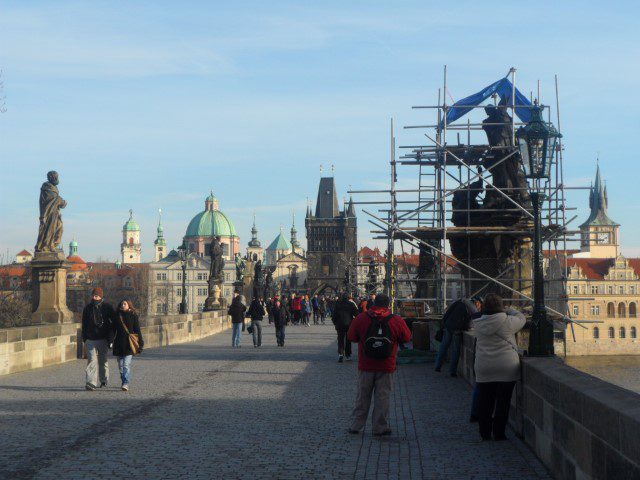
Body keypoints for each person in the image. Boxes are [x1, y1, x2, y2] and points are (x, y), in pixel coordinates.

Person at [347, 294, 412, 436]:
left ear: (373, 303)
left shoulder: (362, 318)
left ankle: (356, 425)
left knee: (362, 396)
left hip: (366, 364)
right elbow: (407, 337)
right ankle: (380, 427)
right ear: (388, 305)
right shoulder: (396, 320)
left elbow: (351, 336)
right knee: (383, 397)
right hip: (386, 365)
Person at [472, 293, 526, 441]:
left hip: (484, 367)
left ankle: (485, 433)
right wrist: (509, 310)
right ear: (500, 306)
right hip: (506, 366)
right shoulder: (508, 321)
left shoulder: (478, 323)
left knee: (485, 402)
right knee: (503, 402)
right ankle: (499, 433)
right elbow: (522, 318)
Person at [435, 296, 482, 377]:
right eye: (480, 305)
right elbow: (471, 322)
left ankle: (438, 366)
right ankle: (452, 371)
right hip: (458, 329)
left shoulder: (460, 301)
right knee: (456, 350)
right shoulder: (473, 308)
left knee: (444, 346)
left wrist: (444, 324)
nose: (479, 307)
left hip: (448, 326)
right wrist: (467, 328)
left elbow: (448, 312)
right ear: (478, 302)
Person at [81, 287, 115, 390]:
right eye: (93, 295)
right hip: (90, 339)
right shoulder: (88, 308)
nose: (95, 298)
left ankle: (104, 380)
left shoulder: (107, 307)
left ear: (101, 296)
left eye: (97, 296)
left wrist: (111, 339)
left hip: (103, 339)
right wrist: (85, 338)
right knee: (92, 360)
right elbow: (84, 323)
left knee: (103, 361)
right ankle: (91, 382)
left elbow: (113, 323)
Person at [112, 298, 143, 391]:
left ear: (129, 305)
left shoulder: (133, 315)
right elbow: (113, 330)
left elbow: (137, 330)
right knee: (120, 365)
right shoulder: (117, 316)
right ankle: (123, 380)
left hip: (129, 344)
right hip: (119, 343)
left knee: (126, 365)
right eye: (121, 304)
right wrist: (110, 340)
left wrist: (140, 343)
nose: (123, 305)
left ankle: (126, 382)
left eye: (124, 304)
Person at [332, 294, 359, 362]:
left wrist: (335, 323)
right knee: (348, 340)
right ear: (348, 298)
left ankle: (341, 354)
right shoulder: (351, 304)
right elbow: (356, 314)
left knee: (340, 339)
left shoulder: (338, 304)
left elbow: (334, 315)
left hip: (339, 324)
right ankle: (348, 355)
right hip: (349, 324)